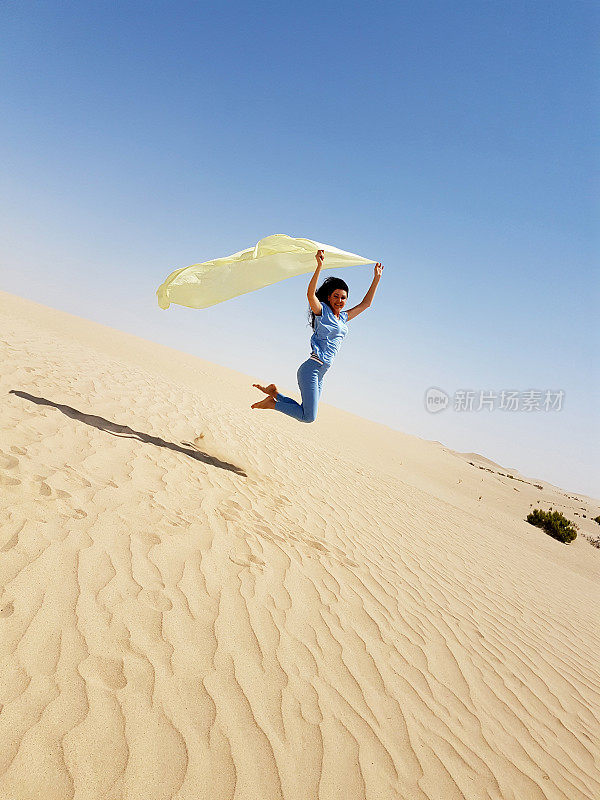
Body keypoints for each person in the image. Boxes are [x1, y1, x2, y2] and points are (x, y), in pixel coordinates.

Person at [251, 249, 383, 422]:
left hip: (322, 372)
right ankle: (272, 403)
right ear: (329, 297)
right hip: (311, 369)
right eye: (336, 296)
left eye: (343, 298)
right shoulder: (322, 312)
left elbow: (366, 304)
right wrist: (319, 266)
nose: (339, 300)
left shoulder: (343, 318)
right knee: (308, 417)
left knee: (305, 410)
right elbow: (310, 295)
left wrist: (376, 278)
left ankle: (274, 394)